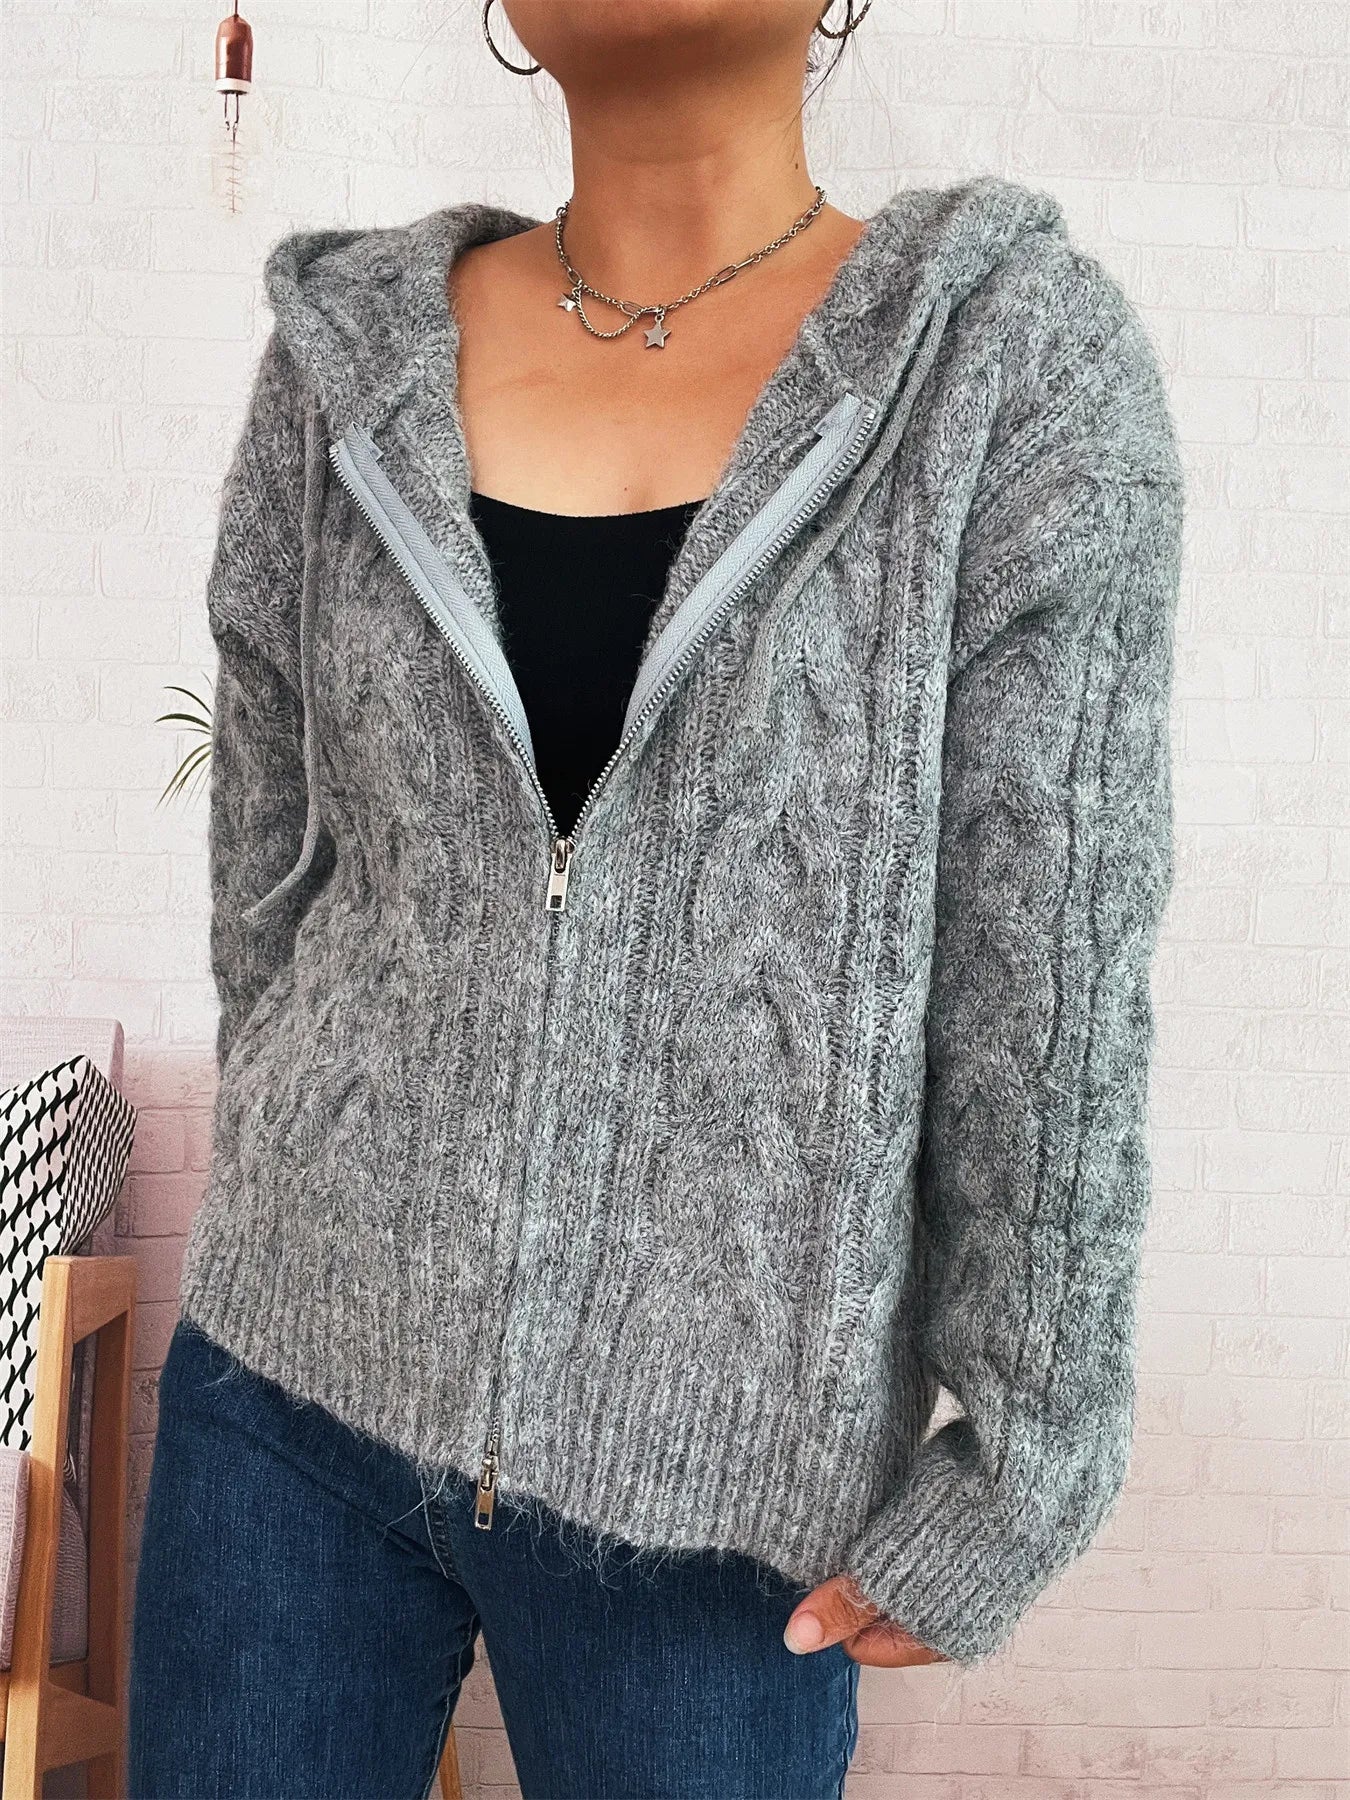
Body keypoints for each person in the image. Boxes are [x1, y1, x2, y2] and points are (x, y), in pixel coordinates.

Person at [128, 1, 1186, 1796]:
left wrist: (1027, 1457)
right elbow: (270, 863)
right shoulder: (343, 363)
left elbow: (1051, 971)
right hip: (283, 1398)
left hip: (725, 1485)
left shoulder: (1001, 373)